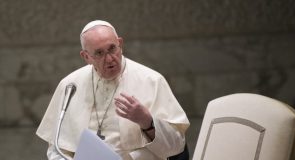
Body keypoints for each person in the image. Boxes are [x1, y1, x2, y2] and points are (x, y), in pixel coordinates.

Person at [36, 20, 190, 160]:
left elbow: (176, 147)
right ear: (86, 56)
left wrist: (147, 122)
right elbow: (57, 148)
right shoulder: (70, 85)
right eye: (99, 53)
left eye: (112, 48)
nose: (109, 59)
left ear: (120, 44)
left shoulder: (152, 80)